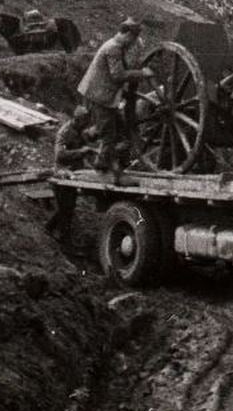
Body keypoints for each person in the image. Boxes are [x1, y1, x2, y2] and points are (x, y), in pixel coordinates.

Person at [77, 18, 153, 179]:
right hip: (99, 96)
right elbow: (118, 75)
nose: (133, 42)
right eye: (133, 37)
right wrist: (142, 74)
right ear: (124, 33)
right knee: (109, 135)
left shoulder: (119, 46)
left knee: (120, 130)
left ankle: (89, 137)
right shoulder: (113, 48)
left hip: (106, 96)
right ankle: (102, 168)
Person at [46, 106, 96, 243]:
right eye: (84, 121)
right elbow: (59, 155)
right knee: (66, 207)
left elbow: (88, 142)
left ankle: (50, 228)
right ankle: (63, 239)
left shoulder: (80, 131)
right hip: (62, 172)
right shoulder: (65, 132)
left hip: (74, 173)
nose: (86, 124)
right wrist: (81, 152)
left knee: (68, 207)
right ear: (77, 119)